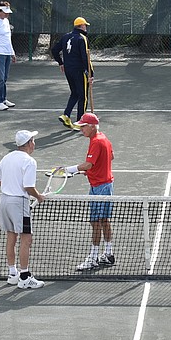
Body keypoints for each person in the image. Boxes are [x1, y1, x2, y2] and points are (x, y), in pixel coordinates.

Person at [56, 113, 115, 271]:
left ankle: (93, 257)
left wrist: (69, 169)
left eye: (83, 126)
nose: (81, 129)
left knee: (95, 222)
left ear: (92, 126)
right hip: (105, 184)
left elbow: (89, 164)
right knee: (103, 220)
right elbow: (111, 157)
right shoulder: (103, 137)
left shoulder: (96, 141)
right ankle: (108, 253)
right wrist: (93, 172)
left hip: (100, 188)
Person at [0, 129, 45, 289]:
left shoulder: (7, 157)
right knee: (26, 238)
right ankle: (25, 277)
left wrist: (8, 186)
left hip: (5, 201)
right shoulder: (29, 161)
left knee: (11, 237)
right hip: (19, 203)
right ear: (28, 143)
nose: (34, 143)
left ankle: (13, 274)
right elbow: (28, 187)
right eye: (33, 140)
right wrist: (39, 197)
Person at [50, 17, 94, 130]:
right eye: (85, 25)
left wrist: (61, 62)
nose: (86, 27)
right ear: (82, 26)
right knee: (83, 96)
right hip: (79, 71)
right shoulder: (82, 38)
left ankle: (66, 115)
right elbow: (85, 57)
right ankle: (80, 122)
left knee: (75, 93)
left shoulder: (65, 37)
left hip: (68, 70)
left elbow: (54, 50)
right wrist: (90, 73)